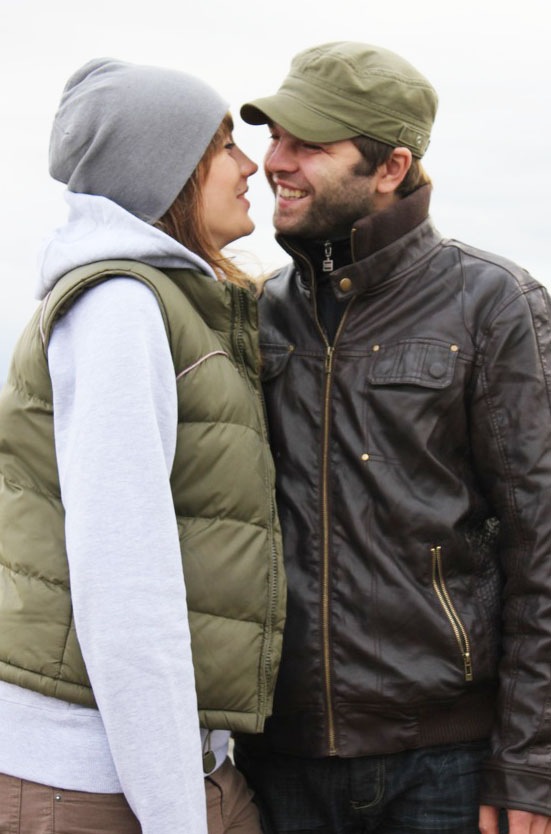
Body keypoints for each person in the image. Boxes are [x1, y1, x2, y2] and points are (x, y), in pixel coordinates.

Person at [233, 41, 551, 834]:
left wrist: (529, 763)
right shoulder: (258, 311)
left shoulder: (493, 305)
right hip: (277, 763)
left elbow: (541, 546)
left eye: (309, 144)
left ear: (389, 167)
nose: (276, 162)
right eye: (275, 138)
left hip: (445, 767)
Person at [0, 58, 286, 834]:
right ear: (170, 171)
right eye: (223, 147)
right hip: (93, 782)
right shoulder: (121, 308)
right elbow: (124, 580)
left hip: (169, 769)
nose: (250, 166)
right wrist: (175, 813)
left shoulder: (167, 302)